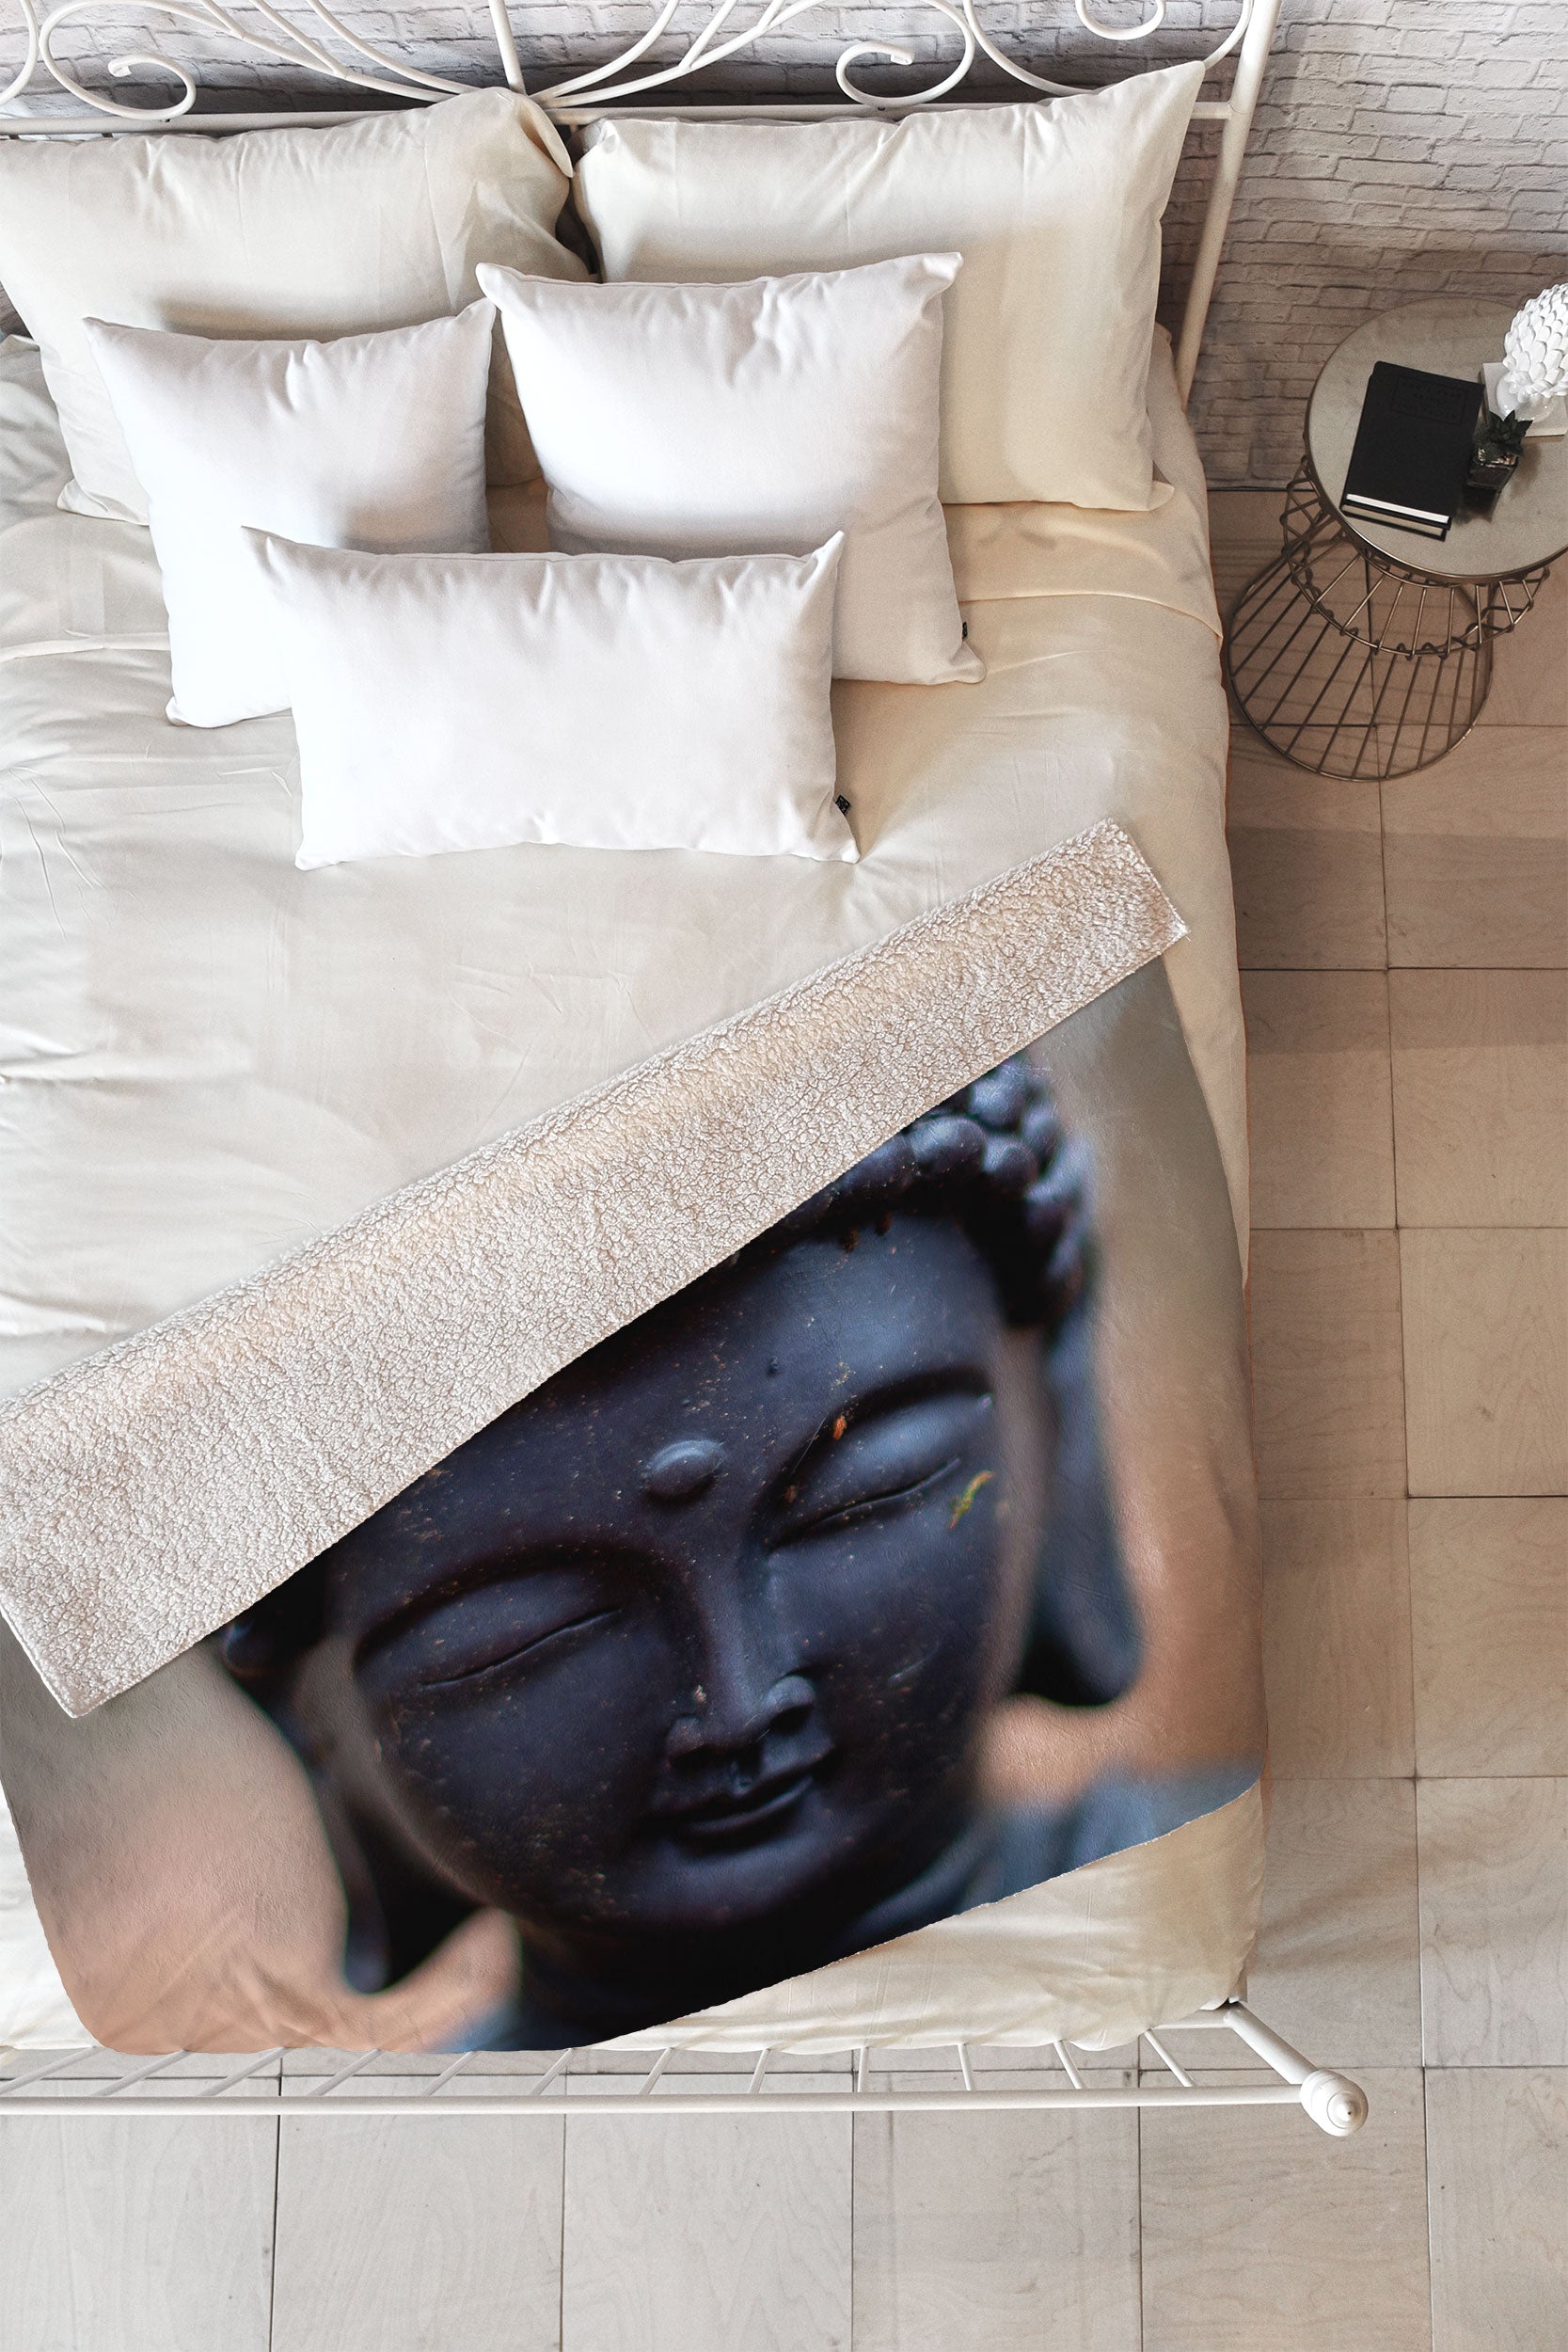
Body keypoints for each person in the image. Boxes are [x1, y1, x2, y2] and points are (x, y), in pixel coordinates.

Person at [220, 1056, 1251, 2048]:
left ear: (1051, 1419)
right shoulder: (396, 2161)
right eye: (526, 1638)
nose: (738, 1705)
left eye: (866, 1497)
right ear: (312, 1712)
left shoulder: (1261, 1916)